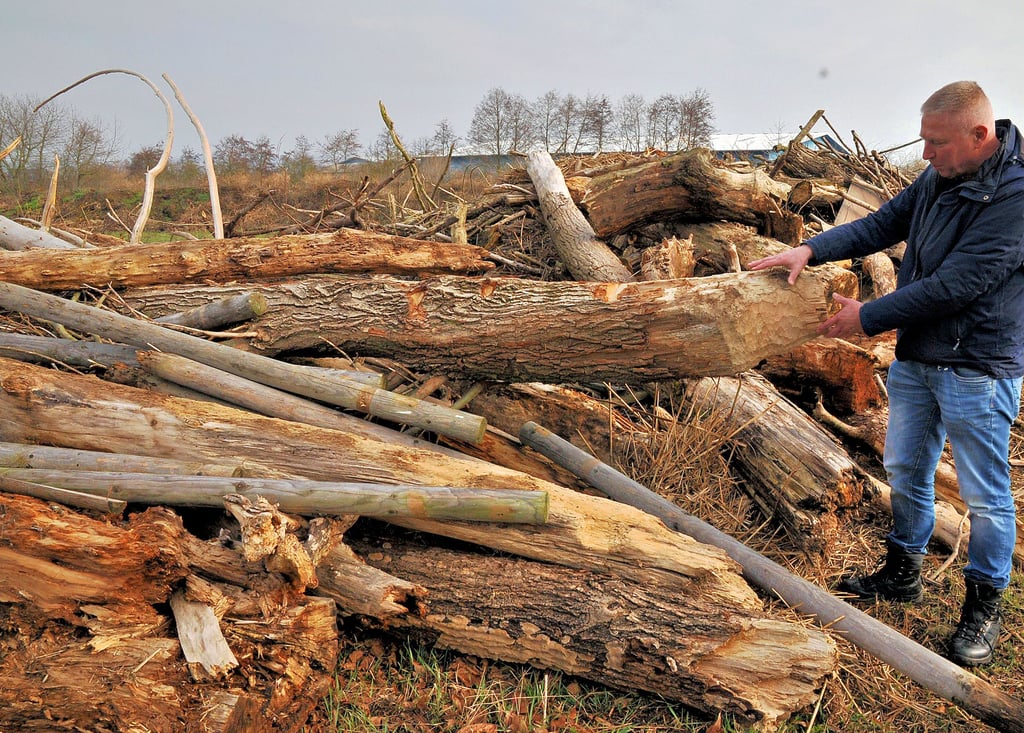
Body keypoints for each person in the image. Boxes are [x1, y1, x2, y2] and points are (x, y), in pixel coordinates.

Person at [747, 81, 1024, 667]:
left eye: (936, 143)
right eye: (922, 142)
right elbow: (880, 225)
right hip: (920, 359)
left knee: (984, 495)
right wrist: (812, 251)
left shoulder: (1016, 198)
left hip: (977, 367)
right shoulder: (940, 177)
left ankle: (983, 607)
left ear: (979, 137)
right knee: (905, 466)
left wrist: (866, 316)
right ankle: (903, 572)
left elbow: (959, 285)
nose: (924, 155)